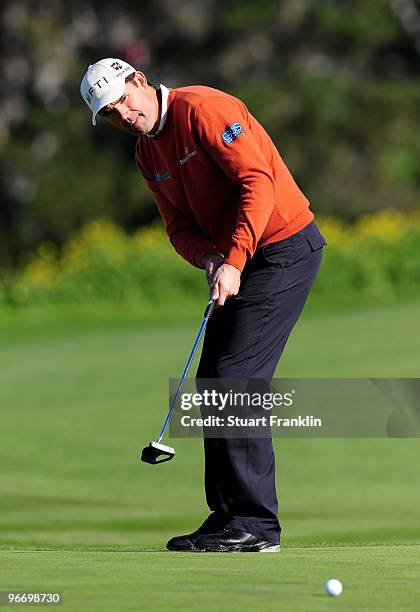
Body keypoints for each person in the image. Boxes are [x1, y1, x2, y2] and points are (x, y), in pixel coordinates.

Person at [80, 58, 327, 553]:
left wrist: (234, 259)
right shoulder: (147, 155)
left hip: (282, 249)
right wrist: (211, 259)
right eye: (109, 113)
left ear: (140, 81)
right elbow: (178, 227)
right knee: (214, 379)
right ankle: (228, 516)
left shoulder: (204, 108)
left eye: (124, 99)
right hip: (238, 260)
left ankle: (257, 526)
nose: (124, 115)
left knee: (236, 378)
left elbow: (257, 182)